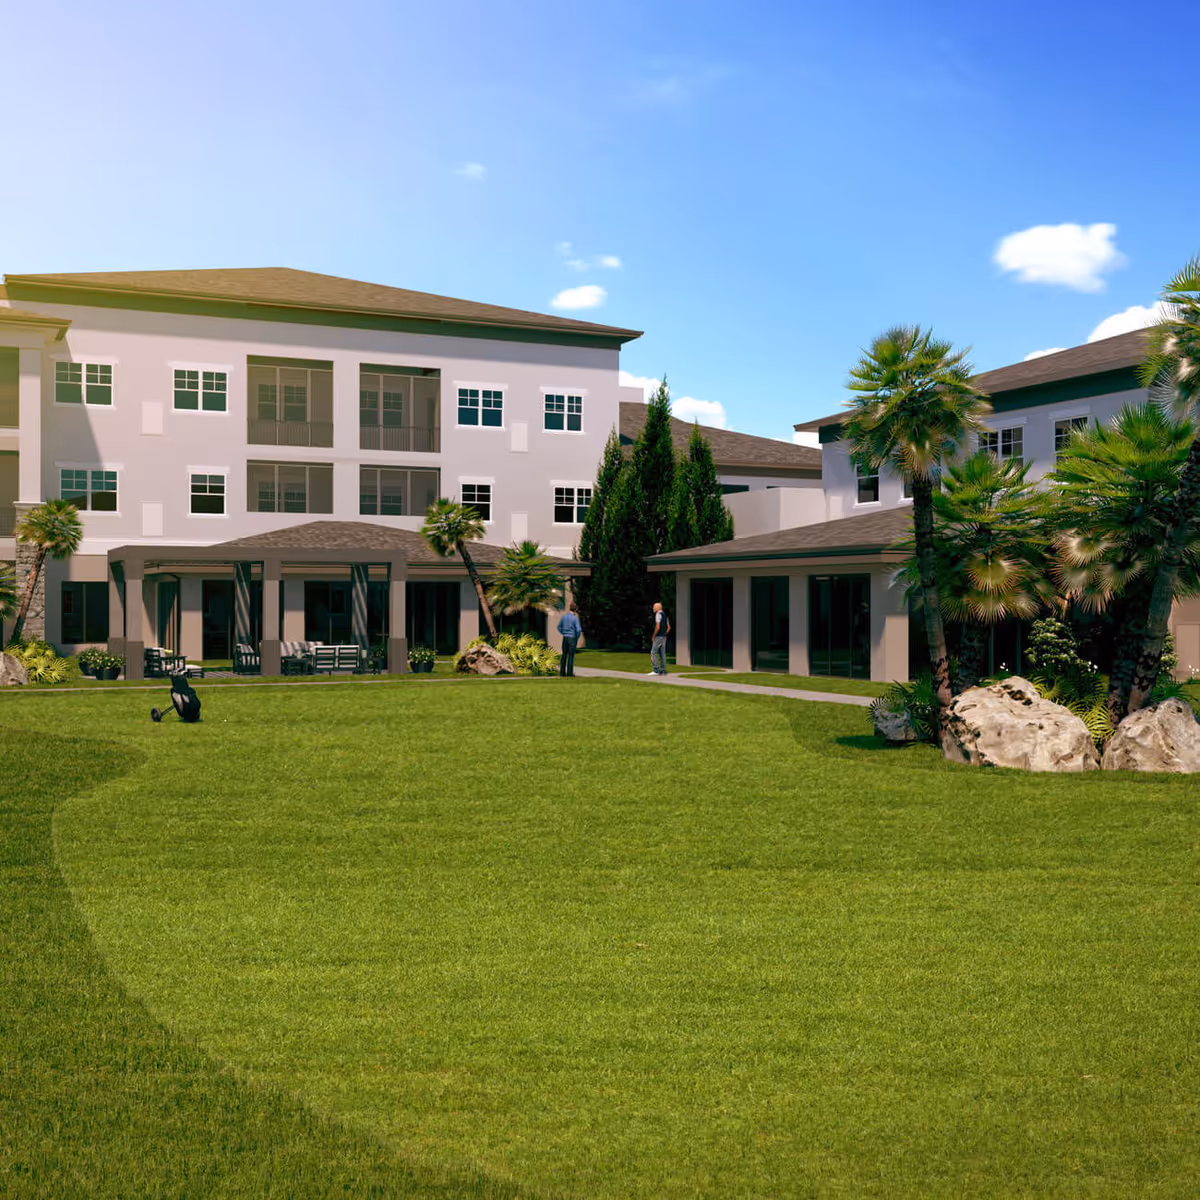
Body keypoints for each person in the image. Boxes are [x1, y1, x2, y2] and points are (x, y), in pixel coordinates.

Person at [557, 604, 582, 676]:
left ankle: (562, 672)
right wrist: (576, 637)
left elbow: (559, 627)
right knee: (571, 655)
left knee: (564, 655)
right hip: (572, 637)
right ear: (575, 610)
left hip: (565, 638)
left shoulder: (564, 617)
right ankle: (569, 672)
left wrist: (563, 633)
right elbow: (578, 630)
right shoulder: (575, 618)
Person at [649, 602, 670, 675]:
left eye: (654, 607)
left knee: (653, 652)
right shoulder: (665, 615)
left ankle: (655, 670)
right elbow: (668, 628)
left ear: (658, 608)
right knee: (662, 654)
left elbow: (657, 627)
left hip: (658, 637)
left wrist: (654, 636)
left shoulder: (658, 614)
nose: (653, 608)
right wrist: (664, 634)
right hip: (664, 637)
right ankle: (663, 670)